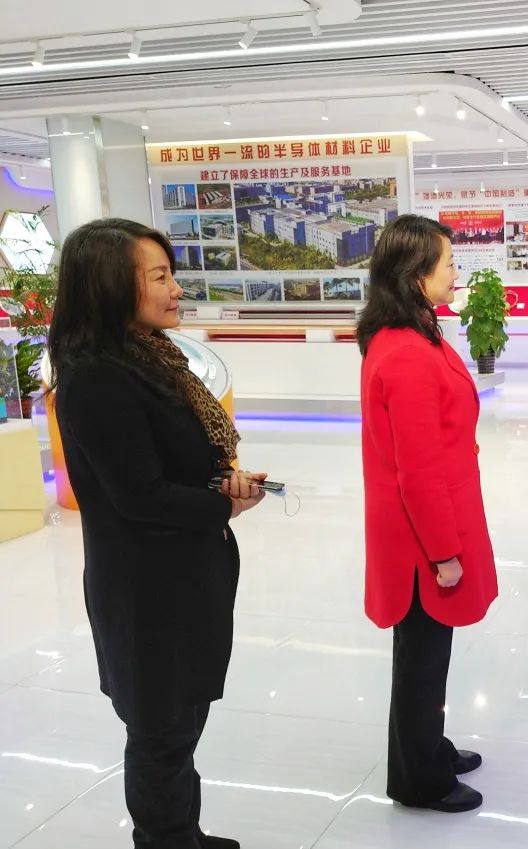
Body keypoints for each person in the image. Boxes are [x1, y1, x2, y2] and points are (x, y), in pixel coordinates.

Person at [49, 218, 267, 849]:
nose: (176, 290)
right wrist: (224, 506)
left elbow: (171, 460)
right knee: (160, 730)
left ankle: (181, 831)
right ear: (111, 285)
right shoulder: (97, 375)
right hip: (147, 589)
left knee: (179, 723)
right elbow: (138, 495)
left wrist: (221, 480)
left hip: (182, 573)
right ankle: (164, 838)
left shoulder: (151, 357)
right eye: (160, 276)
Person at [356, 214, 498, 813]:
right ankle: (419, 779)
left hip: (429, 521)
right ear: (417, 275)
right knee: (420, 660)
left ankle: (428, 747)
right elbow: (417, 472)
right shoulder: (407, 353)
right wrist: (444, 552)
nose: (456, 273)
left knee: (427, 656)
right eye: (449, 263)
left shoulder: (412, 335)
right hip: (422, 538)